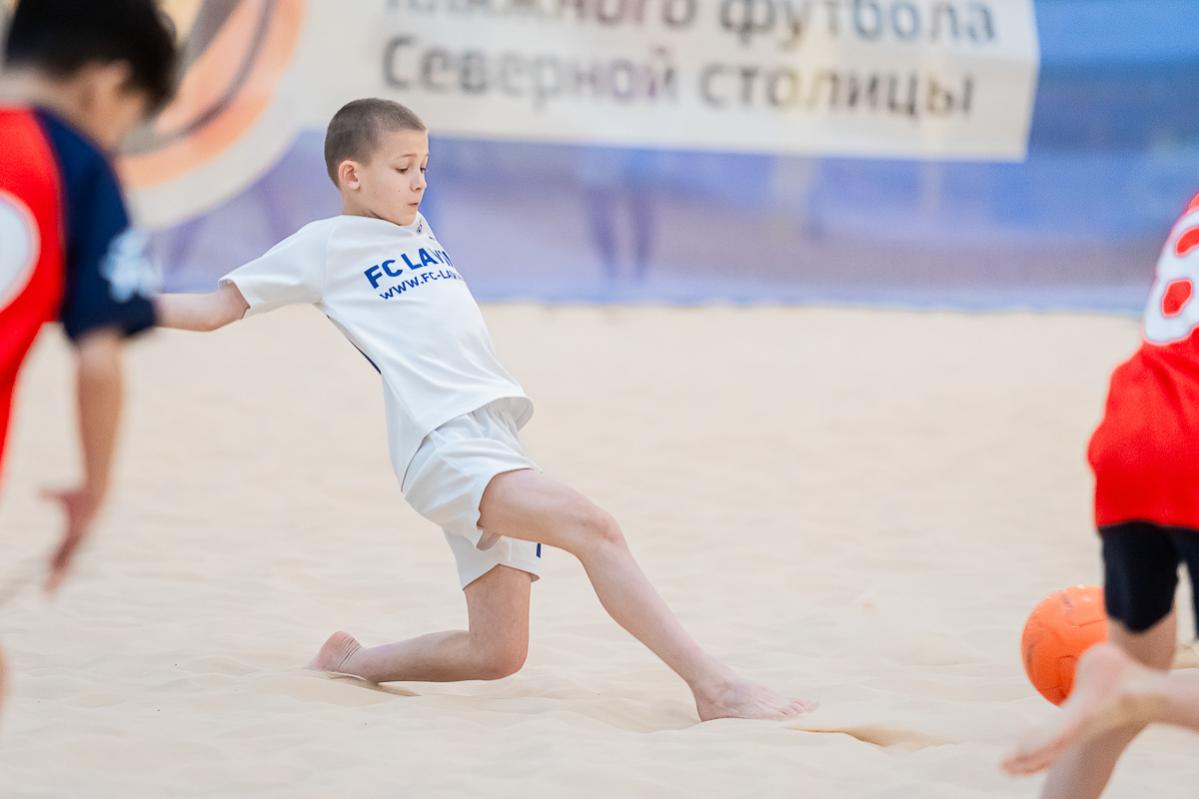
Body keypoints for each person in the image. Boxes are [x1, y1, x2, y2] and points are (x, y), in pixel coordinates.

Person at [155, 98, 813, 722]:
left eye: (424, 166)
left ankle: (351, 664)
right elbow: (216, 309)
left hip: (496, 437)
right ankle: (715, 687)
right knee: (595, 529)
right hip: (443, 446)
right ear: (351, 176)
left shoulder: (415, 227)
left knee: (496, 652)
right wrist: (119, 306)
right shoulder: (323, 245)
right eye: (403, 168)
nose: (419, 181)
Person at [0, 0, 176, 715]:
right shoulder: (77, 165)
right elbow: (99, 361)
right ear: (107, 85)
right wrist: (93, 489)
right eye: (127, 122)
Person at [1003, 194, 1199, 795]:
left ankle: (1128, 690)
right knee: (1133, 686)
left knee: (1127, 674)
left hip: (1134, 429)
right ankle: (1141, 693)